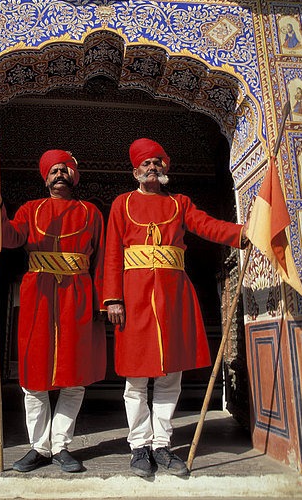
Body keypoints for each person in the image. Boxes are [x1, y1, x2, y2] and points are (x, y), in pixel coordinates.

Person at [103, 138, 248, 478]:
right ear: (135, 171)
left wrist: (243, 234)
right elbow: (112, 253)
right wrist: (112, 298)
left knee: (170, 376)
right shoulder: (121, 204)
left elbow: (209, 226)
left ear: (165, 168)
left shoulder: (180, 203)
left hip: (174, 297)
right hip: (134, 298)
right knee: (135, 380)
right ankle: (139, 445)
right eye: (146, 163)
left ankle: (162, 445)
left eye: (158, 162)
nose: (153, 168)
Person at [2, 150, 106, 473]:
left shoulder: (91, 213)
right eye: (53, 171)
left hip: (77, 295)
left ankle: (60, 445)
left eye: (65, 170)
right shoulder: (30, 210)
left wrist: (104, 300)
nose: (59, 174)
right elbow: (9, 237)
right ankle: (38, 447)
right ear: (45, 177)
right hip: (39, 297)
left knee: (74, 378)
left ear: (73, 176)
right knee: (34, 376)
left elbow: (102, 261)